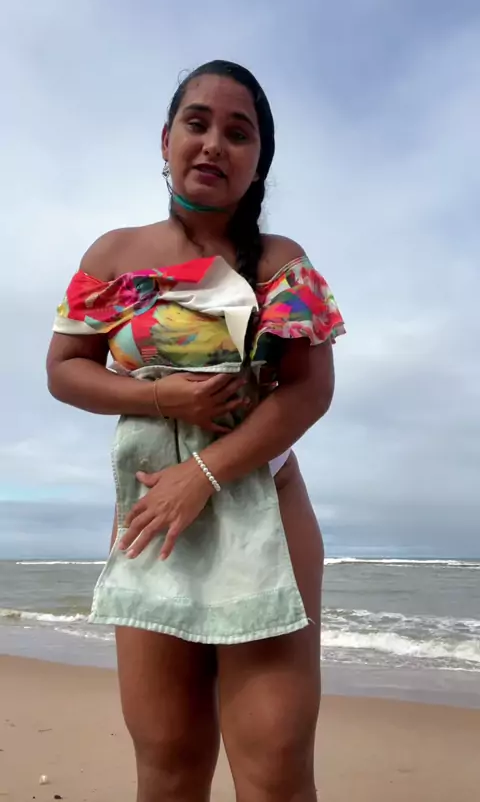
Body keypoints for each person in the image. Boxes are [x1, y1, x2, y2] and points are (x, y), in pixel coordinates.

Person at [46, 60, 345, 802]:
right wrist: (162, 400)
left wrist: (202, 474)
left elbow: (310, 390)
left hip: (263, 512)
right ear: (166, 140)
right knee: (169, 767)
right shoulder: (112, 256)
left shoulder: (280, 262)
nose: (214, 143)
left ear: (258, 162)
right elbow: (65, 370)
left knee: (275, 772)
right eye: (197, 123)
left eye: (238, 133)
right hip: (154, 523)